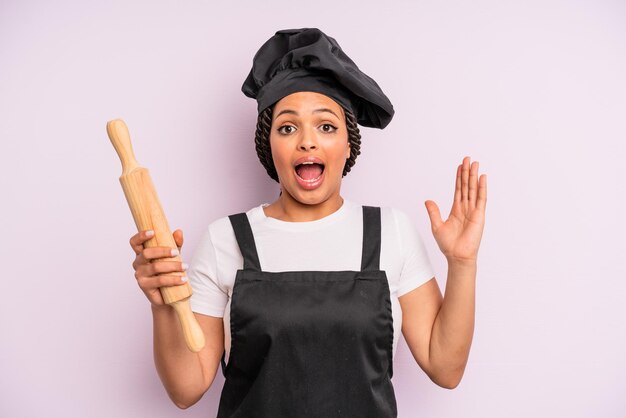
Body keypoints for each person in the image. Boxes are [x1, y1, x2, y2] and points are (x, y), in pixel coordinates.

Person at [128, 28, 487, 417]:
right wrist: (164, 306)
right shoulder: (226, 240)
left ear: (349, 143)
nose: (307, 142)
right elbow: (186, 389)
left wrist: (462, 263)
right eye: (287, 127)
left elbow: (445, 367)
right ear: (269, 145)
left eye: (326, 126)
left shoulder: (390, 233)